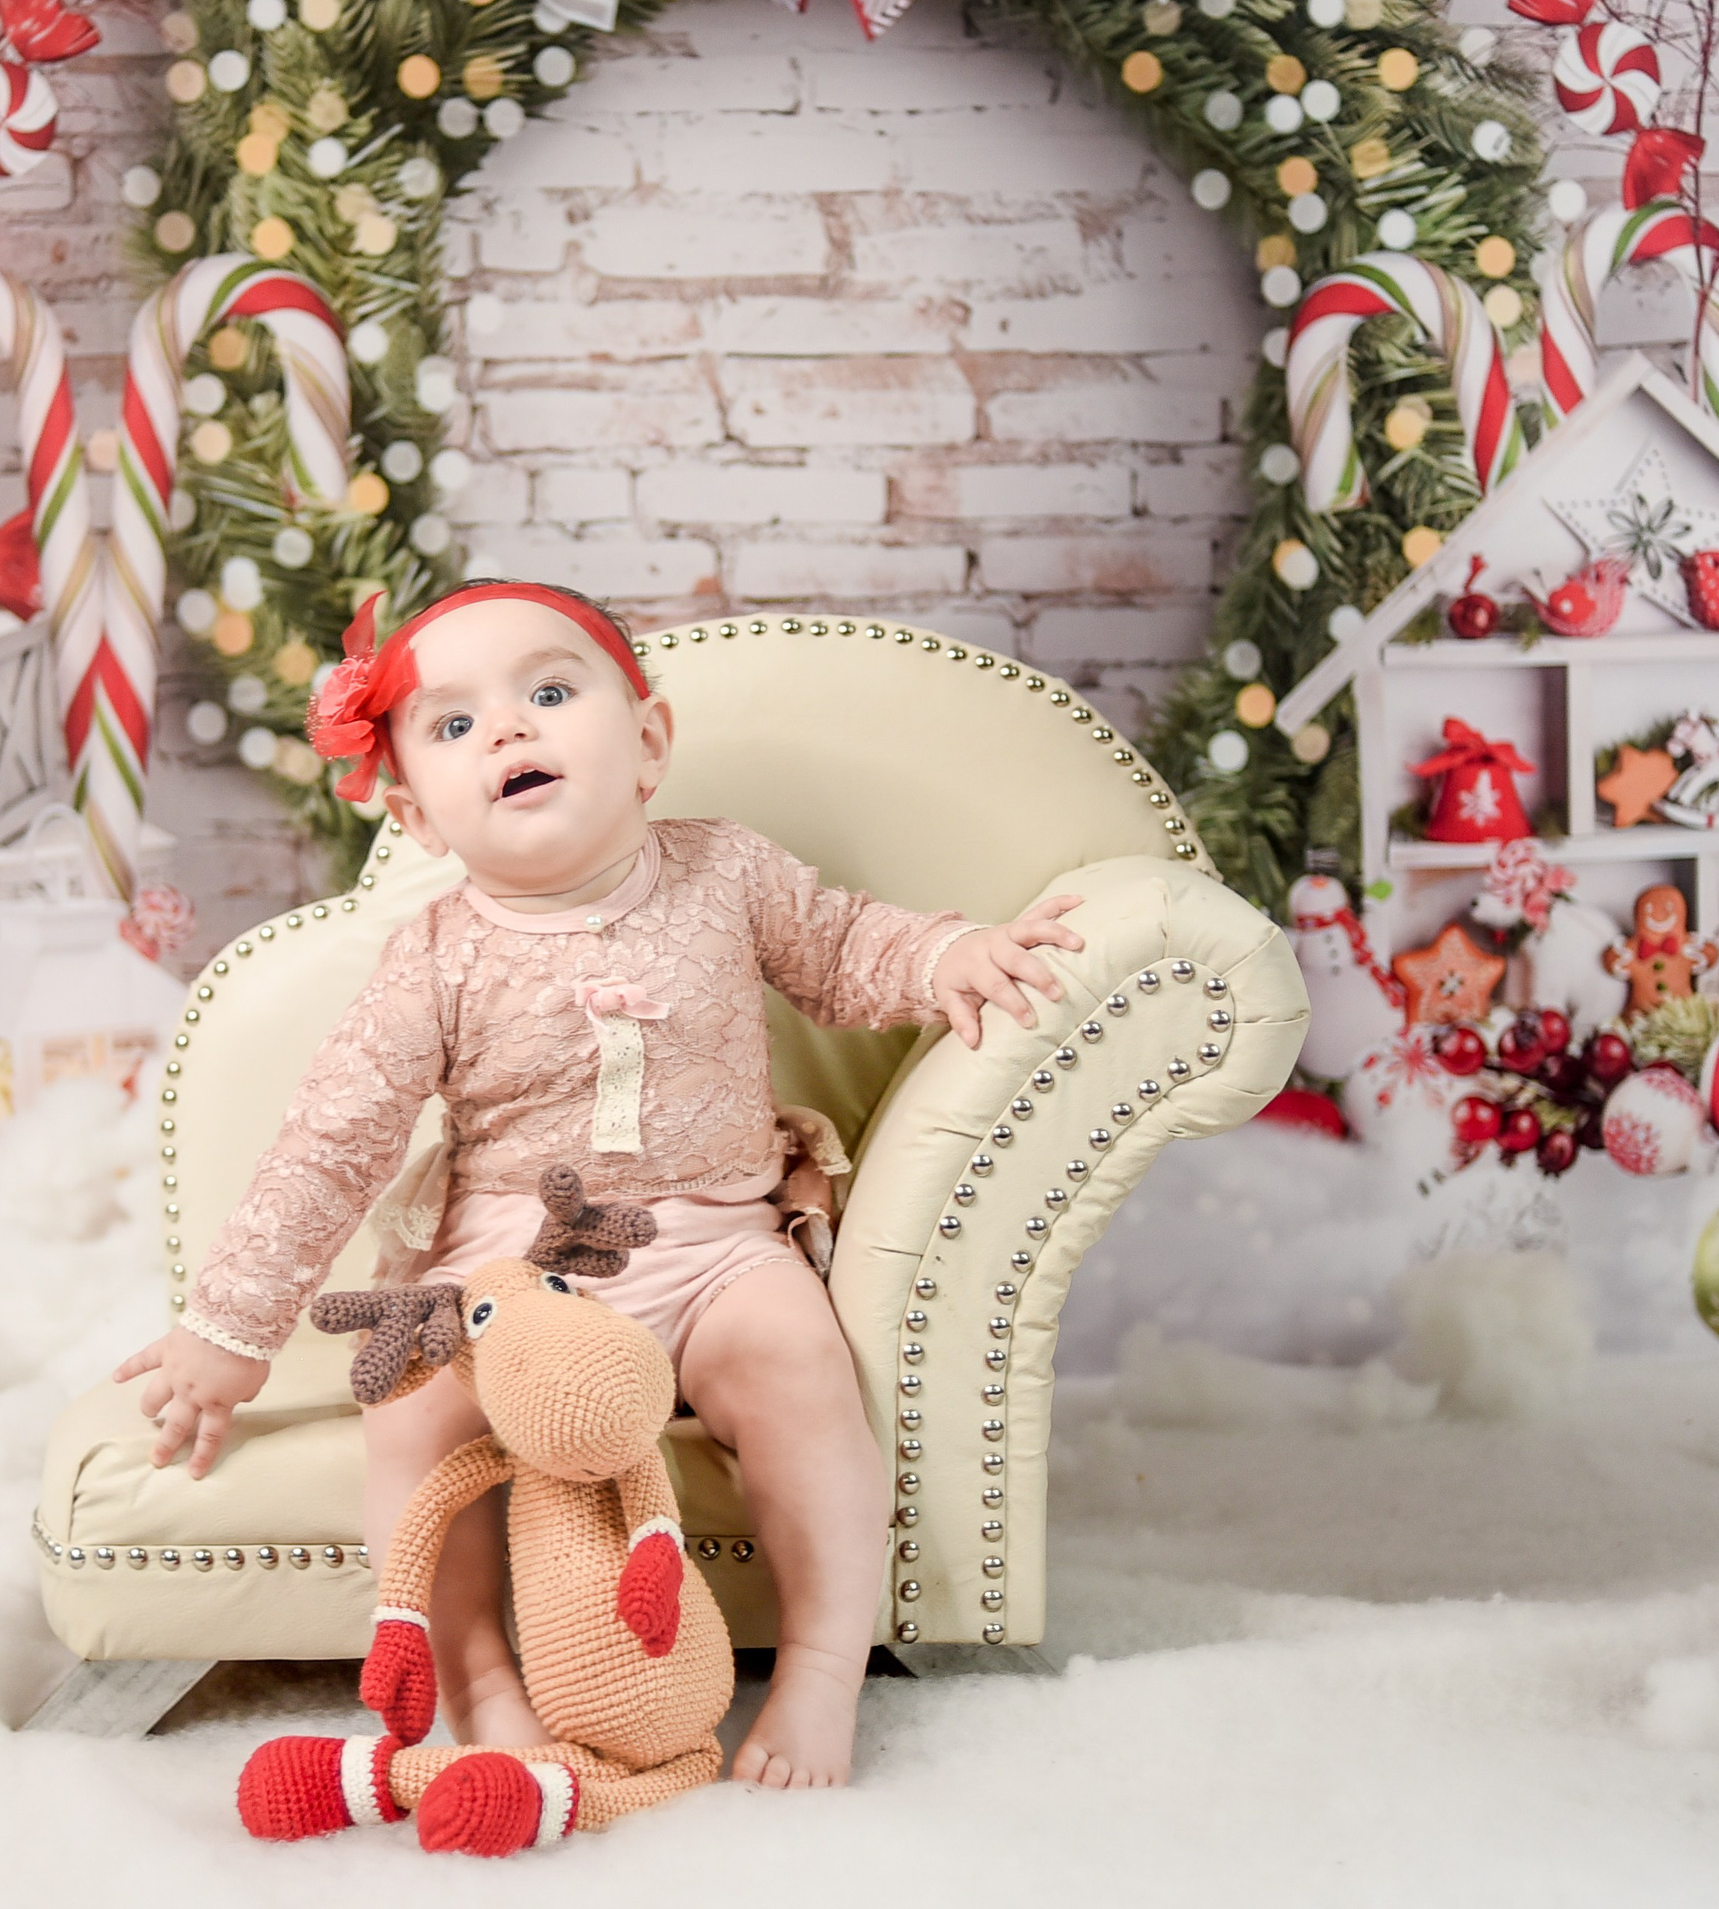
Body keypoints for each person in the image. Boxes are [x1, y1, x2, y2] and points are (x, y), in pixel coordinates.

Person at [113, 581, 1082, 1791]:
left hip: (715, 1245)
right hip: (506, 1275)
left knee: (796, 1357)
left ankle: (826, 1662)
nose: (510, 731)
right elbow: (331, 1140)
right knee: (410, 1402)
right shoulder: (435, 956)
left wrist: (948, 954)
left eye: (551, 692)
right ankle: (476, 1680)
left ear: (647, 745)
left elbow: (843, 948)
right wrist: (233, 1326)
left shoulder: (727, 871)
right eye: (455, 725)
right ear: (417, 815)